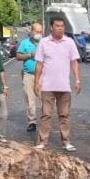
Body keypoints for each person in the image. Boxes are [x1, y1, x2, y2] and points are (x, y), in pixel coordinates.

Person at [34, 17, 82, 151]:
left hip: (64, 87)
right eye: (57, 26)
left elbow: (74, 62)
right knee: (46, 115)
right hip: (47, 86)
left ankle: (66, 142)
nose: (60, 28)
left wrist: (77, 79)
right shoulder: (43, 42)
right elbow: (39, 64)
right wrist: (36, 82)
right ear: (51, 27)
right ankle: (42, 142)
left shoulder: (70, 42)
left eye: (62, 26)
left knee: (64, 115)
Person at [16, 23, 43, 132]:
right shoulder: (25, 43)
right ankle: (32, 122)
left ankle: (45, 120)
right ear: (31, 32)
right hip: (29, 75)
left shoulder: (45, 43)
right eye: (37, 32)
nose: (39, 34)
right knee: (30, 100)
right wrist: (30, 54)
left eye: (40, 32)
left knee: (44, 99)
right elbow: (18, 56)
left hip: (42, 76)